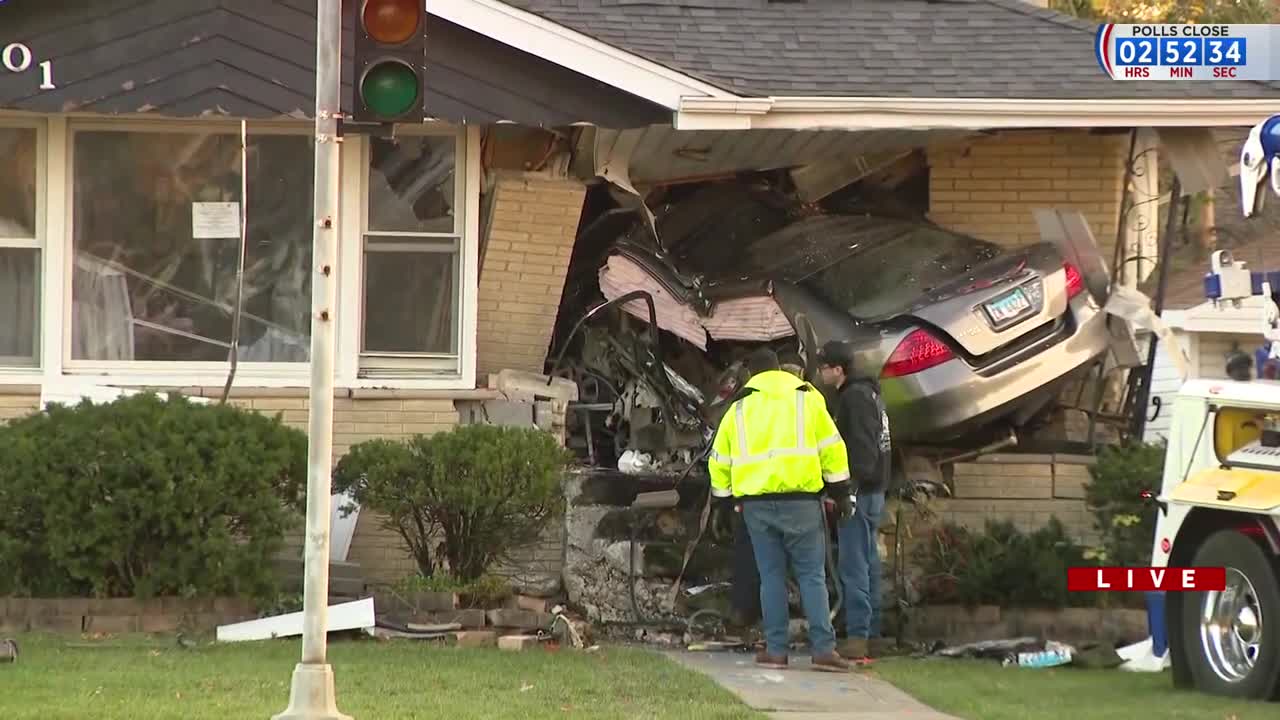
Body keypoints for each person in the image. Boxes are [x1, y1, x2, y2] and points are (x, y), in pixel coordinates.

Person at [708, 348, 854, 673]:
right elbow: (832, 448)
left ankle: (776, 651)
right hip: (802, 502)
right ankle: (823, 650)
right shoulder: (807, 399)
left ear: (752, 375)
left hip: (756, 506)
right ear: (778, 370)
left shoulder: (740, 407)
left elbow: (719, 460)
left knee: (770, 577)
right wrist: (842, 493)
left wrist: (723, 503)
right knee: (812, 576)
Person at [816, 340, 892, 661]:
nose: (820, 372)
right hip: (876, 489)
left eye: (823, 367)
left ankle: (859, 636)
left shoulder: (855, 399)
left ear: (838, 369)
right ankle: (872, 633)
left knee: (854, 563)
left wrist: (847, 490)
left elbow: (862, 450)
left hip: (860, 492)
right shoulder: (870, 394)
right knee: (869, 560)